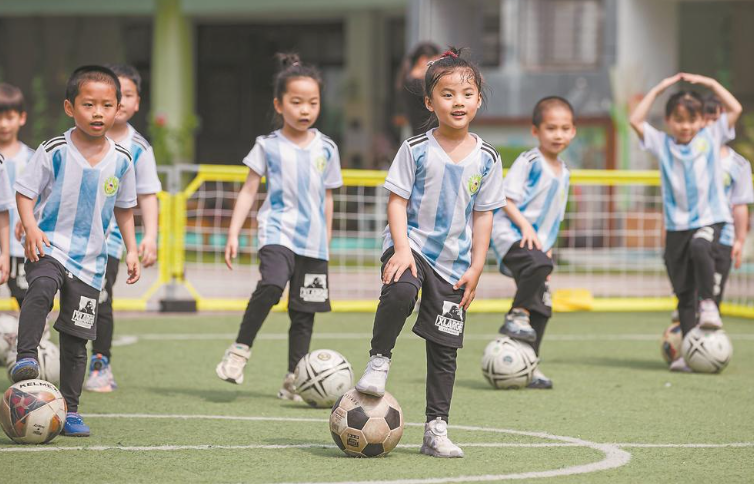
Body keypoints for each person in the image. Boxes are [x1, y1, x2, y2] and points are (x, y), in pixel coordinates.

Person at [355, 48, 506, 458]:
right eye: (447, 94)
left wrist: (477, 266)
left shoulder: (488, 159)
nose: (458, 102)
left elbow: (484, 216)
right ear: (429, 102)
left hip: (454, 262)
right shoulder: (415, 148)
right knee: (401, 290)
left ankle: (435, 430)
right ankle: (379, 361)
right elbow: (396, 201)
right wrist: (401, 249)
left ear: (478, 100)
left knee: (444, 349)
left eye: (467, 94)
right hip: (412, 245)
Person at [9, 65, 141, 437]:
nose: (98, 113)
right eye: (88, 105)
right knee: (40, 289)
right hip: (48, 246)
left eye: (106, 106)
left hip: (91, 263)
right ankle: (26, 357)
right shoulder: (54, 150)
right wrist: (31, 226)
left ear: (117, 109)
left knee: (76, 340)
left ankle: (69, 410)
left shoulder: (122, 159)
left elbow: (124, 208)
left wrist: (132, 249)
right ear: (70, 108)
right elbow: (25, 192)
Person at [215, 53, 343, 400]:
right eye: (296, 102)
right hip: (277, 231)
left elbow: (328, 197)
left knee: (304, 312)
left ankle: (293, 378)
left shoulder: (327, 148)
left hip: (314, 241)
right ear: (279, 104)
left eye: (313, 102)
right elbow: (249, 190)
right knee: (272, 285)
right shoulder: (267, 146)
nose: (305, 110)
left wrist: (327, 240)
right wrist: (233, 233)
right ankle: (239, 350)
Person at [629, 73, 742, 372]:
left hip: (710, 217)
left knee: (700, 247)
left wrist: (710, 84)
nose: (685, 126)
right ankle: (689, 352)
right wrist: (659, 88)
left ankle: (709, 303)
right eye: (679, 120)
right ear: (668, 121)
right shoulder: (661, 144)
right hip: (676, 225)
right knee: (682, 292)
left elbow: (735, 109)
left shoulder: (711, 137)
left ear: (702, 121)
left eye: (692, 120)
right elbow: (636, 120)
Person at [84, 64, 161, 393]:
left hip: (111, 240)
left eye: (127, 95)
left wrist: (150, 237)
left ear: (136, 102)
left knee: (101, 297)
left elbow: (148, 195)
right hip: (68, 237)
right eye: (116, 96)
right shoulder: (77, 138)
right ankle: (44, 351)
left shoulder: (139, 147)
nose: (121, 102)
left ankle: (100, 363)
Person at [491, 96, 576, 389]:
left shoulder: (565, 172)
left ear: (573, 132)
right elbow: (505, 198)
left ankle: (529, 364)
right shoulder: (530, 161)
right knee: (538, 269)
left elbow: (554, 215)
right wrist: (526, 226)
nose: (558, 135)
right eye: (551, 128)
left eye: (564, 129)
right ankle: (516, 314)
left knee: (543, 305)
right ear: (535, 131)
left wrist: (547, 248)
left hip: (538, 245)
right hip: (511, 234)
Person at [702, 96, 753, 308]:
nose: (709, 125)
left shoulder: (738, 164)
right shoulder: (687, 157)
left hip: (723, 237)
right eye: (704, 118)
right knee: (690, 295)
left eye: (715, 119)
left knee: (713, 298)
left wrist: (739, 240)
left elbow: (740, 205)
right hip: (692, 233)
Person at [0, 83, 35, 307]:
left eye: (9, 117)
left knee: (28, 303)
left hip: (21, 246)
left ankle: (36, 332)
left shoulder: (33, 159)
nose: (3, 124)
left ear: (21, 118)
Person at [396, 42, 441, 136]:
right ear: (423, 60)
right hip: (430, 136)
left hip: (419, 135)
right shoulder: (418, 84)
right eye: (435, 63)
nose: (437, 68)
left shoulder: (407, 81)